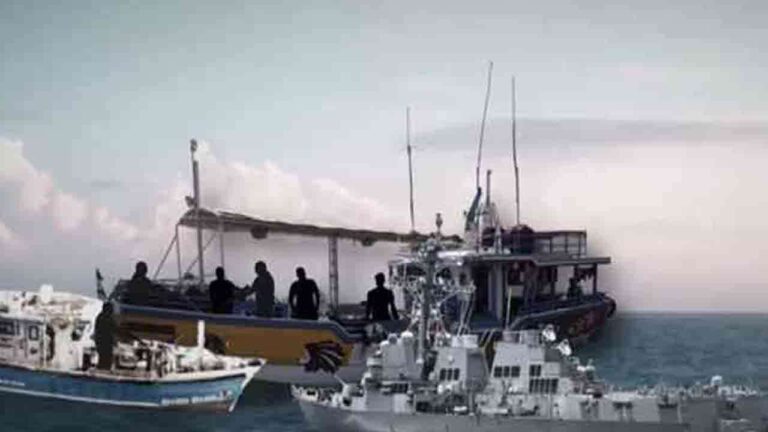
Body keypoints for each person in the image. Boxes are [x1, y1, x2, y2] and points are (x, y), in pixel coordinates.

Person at [94, 302, 116, 370]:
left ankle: (103, 367)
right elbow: (114, 328)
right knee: (105, 356)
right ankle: (104, 367)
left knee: (104, 356)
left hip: (102, 341)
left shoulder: (101, 317)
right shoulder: (106, 318)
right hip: (105, 341)